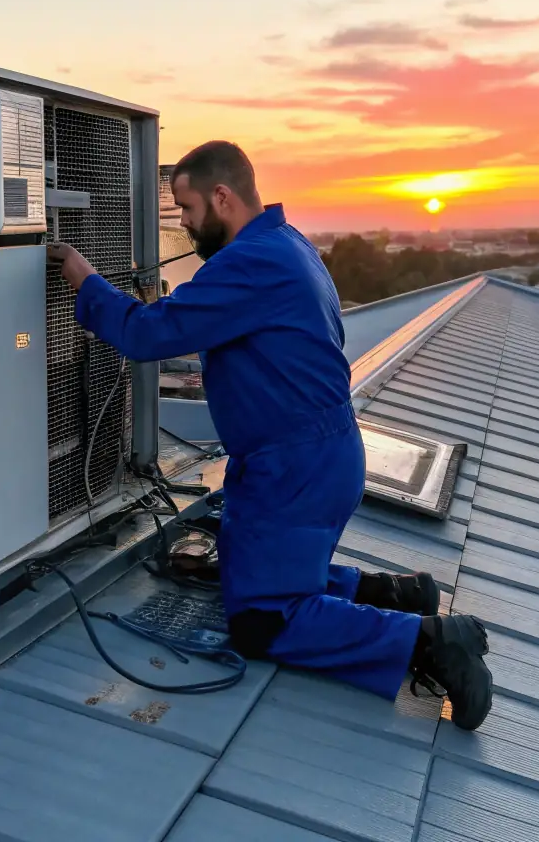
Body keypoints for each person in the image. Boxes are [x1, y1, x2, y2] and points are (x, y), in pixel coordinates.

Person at [47, 140, 492, 730]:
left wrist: (84, 280)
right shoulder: (286, 245)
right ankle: (396, 594)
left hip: (292, 468)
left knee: (264, 619)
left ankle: (431, 640)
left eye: (186, 209)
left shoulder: (248, 264)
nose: (183, 224)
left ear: (222, 197)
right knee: (248, 573)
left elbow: (147, 336)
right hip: (318, 457)